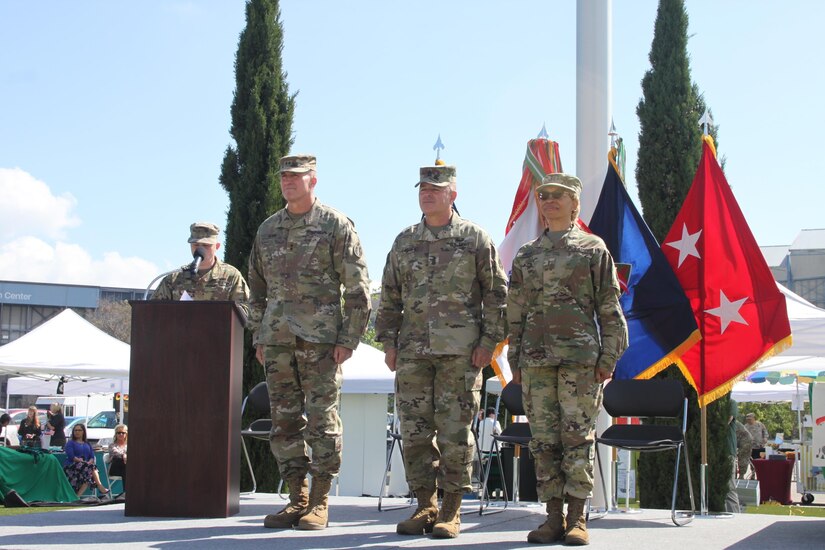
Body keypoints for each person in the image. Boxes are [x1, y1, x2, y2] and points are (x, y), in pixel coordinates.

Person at [375, 162, 508, 539]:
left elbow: (498, 296)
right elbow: (389, 298)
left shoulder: (475, 238)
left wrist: (488, 344)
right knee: (416, 433)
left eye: (436, 188)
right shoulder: (404, 241)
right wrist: (388, 342)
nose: (427, 193)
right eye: (423, 188)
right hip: (413, 352)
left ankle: (451, 509)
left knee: (454, 433)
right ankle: (425, 505)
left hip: (462, 354)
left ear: (453, 194)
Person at [248, 154, 371, 531]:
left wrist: (349, 338)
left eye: (296, 176)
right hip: (278, 341)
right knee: (284, 424)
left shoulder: (334, 224)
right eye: (284, 176)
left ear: (313, 180)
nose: (288, 181)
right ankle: (296, 498)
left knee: (322, 423)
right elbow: (256, 288)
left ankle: (319, 502)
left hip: (320, 342)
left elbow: (358, 288)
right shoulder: (268, 229)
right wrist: (259, 333)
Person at [508, 173, 628, 545]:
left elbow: (610, 308)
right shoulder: (527, 254)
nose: (550, 201)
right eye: (544, 196)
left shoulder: (593, 249)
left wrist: (609, 356)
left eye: (559, 196)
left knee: (577, 439)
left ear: (575, 203)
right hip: (536, 361)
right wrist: (515, 359)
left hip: (580, 362)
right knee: (544, 441)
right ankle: (552, 517)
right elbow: (515, 311)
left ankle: (577, 518)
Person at [151, 222, 250, 317]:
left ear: (217, 246)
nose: (200, 249)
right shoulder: (174, 278)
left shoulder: (231, 276)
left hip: (218, 333)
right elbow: (153, 311)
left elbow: (246, 312)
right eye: (196, 245)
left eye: (206, 245)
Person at [63, 424, 109, 497]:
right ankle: (100, 485)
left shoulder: (87, 443)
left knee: (89, 472)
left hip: (86, 467)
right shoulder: (70, 443)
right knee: (90, 469)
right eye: (76, 430)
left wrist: (90, 461)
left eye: (79, 430)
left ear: (83, 432)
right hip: (72, 466)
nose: (77, 432)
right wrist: (80, 461)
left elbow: (92, 456)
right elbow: (71, 456)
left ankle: (77, 497)